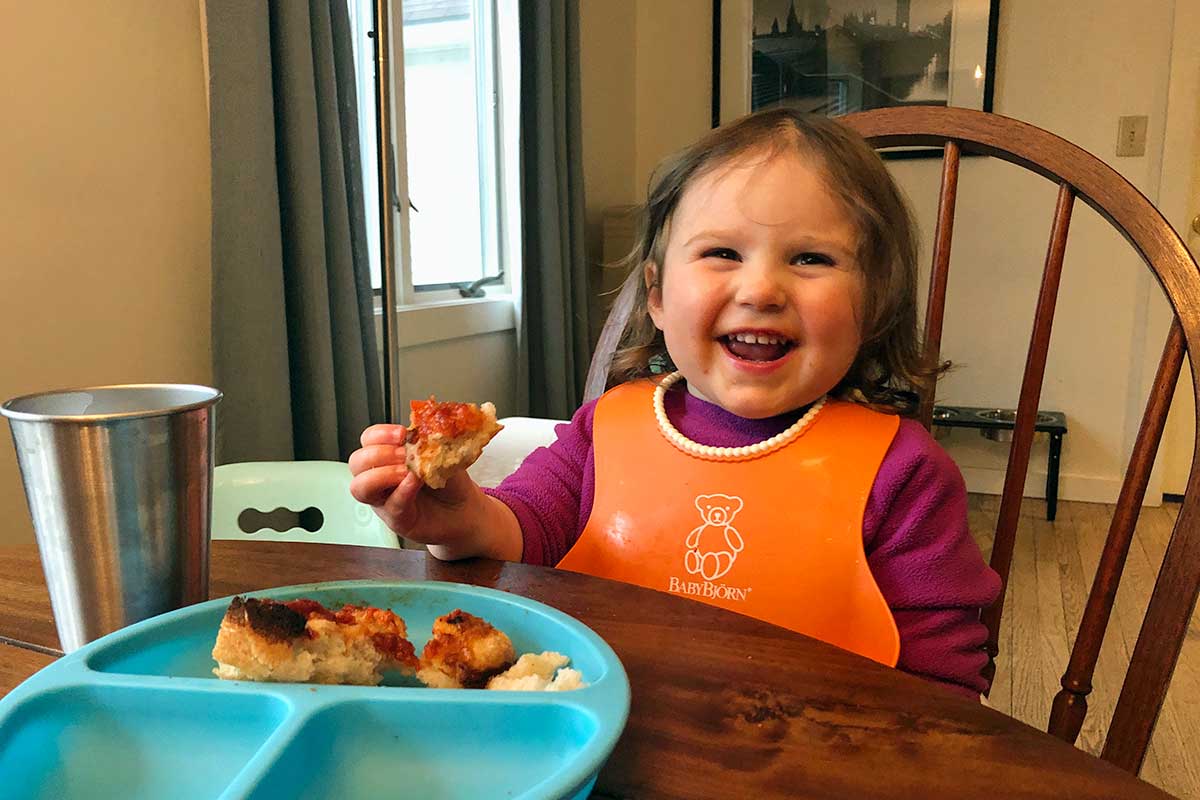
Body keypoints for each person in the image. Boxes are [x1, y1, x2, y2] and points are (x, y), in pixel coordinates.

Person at [349, 107, 1001, 698]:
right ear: (656, 296)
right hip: (602, 741)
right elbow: (523, 535)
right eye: (722, 252)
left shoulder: (902, 472)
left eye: (809, 258)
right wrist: (459, 519)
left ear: (874, 305)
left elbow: (944, 689)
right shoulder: (608, 429)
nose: (761, 288)